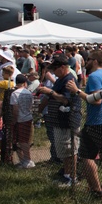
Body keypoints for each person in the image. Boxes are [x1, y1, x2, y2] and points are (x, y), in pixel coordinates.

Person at [70, 50, 102, 199]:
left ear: (95, 61)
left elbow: (96, 100)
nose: (85, 62)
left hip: (96, 120)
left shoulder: (94, 76)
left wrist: (77, 91)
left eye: (88, 59)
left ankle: (96, 190)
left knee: (86, 156)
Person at [36, 54, 80, 188]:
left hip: (68, 120)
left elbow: (66, 99)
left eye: (54, 69)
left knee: (70, 149)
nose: (53, 72)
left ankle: (72, 177)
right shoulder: (61, 79)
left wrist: (50, 92)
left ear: (62, 67)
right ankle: (67, 175)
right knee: (65, 150)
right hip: (60, 120)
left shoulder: (69, 80)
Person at [8, 74, 35, 168]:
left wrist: (14, 120)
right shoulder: (28, 93)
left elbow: (15, 109)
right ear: (24, 83)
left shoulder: (14, 94)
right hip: (28, 117)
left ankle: (27, 160)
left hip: (20, 119)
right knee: (25, 140)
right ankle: (24, 160)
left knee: (22, 141)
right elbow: (31, 106)